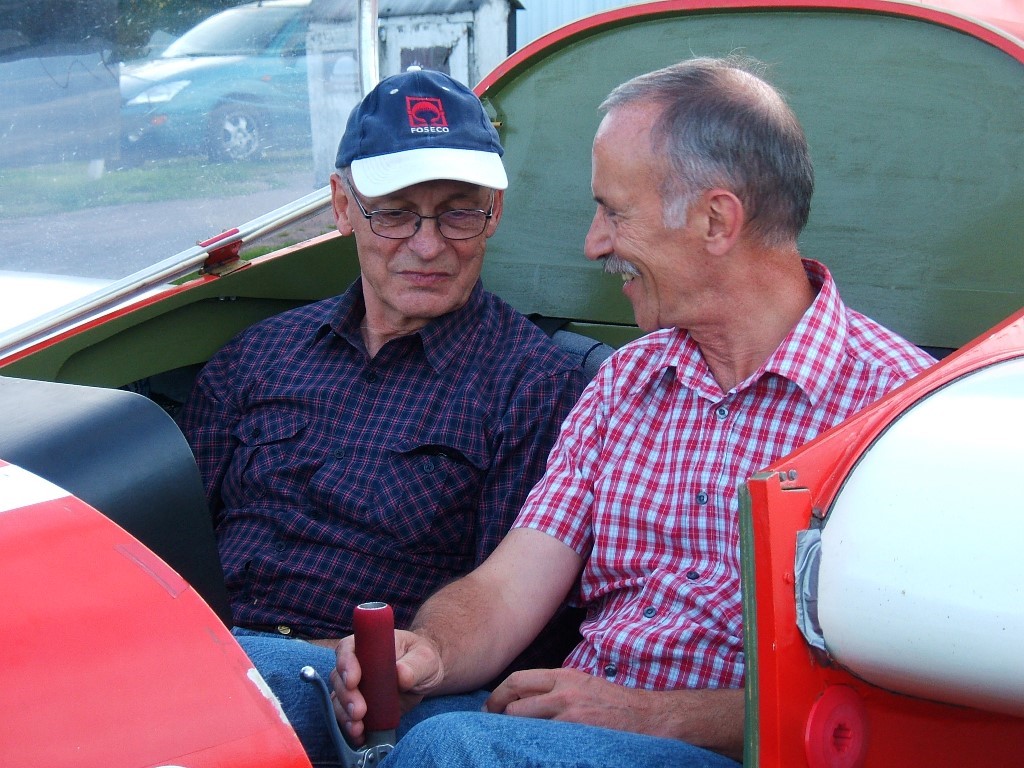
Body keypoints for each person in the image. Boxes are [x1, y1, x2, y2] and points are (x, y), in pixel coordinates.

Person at [330, 56, 935, 766]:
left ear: (716, 220)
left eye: (613, 211)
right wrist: (426, 654)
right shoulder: (628, 379)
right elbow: (505, 589)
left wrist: (662, 717)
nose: (593, 243)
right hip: (576, 727)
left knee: (453, 748)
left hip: (743, 749)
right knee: (288, 689)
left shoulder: (899, 416)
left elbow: (910, 702)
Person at [177, 67, 588, 766]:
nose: (427, 246)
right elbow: (175, 549)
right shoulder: (257, 357)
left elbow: (514, 619)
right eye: (394, 212)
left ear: (494, 212)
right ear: (343, 206)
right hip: (216, 654)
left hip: (381, 696)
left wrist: (385, 665)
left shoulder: (533, 386)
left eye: (460, 212)